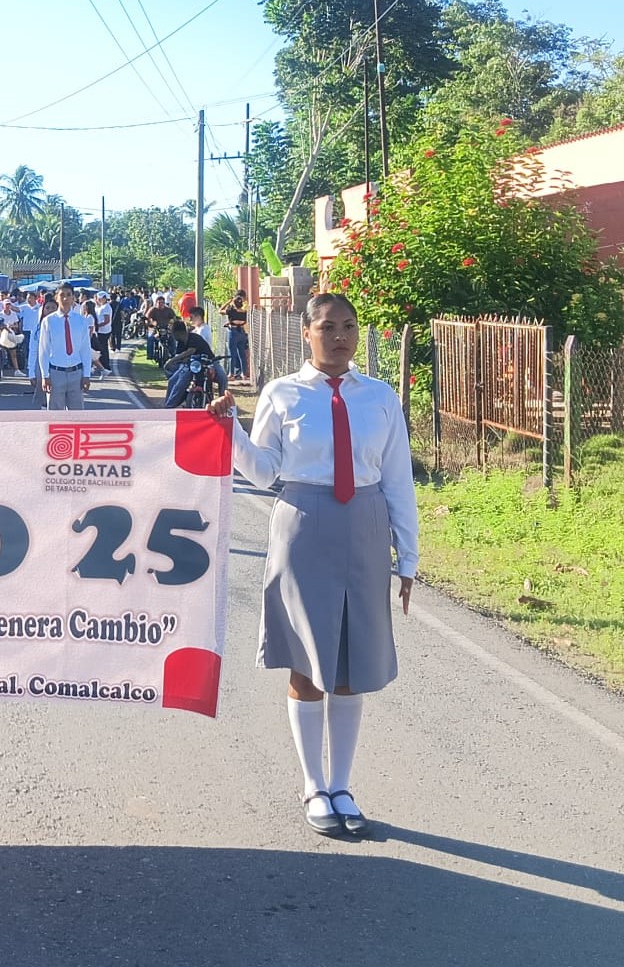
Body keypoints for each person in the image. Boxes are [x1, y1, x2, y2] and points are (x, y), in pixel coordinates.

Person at [207, 292, 417, 840]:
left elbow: (398, 480)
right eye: (328, 327)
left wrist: (407, 557)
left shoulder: (379, 397)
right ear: (306, 333)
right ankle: (313, 784)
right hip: (303, 522)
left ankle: (342, 784)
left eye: (349, 326)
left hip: (365, 524)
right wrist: (229, 430)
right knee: (307, 660)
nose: (341, 336)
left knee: (353, 663)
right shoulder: (283, 394)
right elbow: (262, 471)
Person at [36, 283, 93, 410]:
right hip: (56, 373)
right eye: (62, 295)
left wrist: (86, 374)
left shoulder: (81, 321)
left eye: (69, 295)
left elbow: (85, 350)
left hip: (76, 373)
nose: (65, 299)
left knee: (77, 415)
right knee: (56, 416)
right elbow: (43, 350)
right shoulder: (49, 321)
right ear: (56, 298)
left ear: (74, 298)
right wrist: (45, 375)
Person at [222, 289, 250, 380]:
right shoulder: (245, 312)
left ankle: (231, 374)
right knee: (242, 354)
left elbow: (220, 310)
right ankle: (244, 374)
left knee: (232, 354)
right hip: (242, 332)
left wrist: (228, 301)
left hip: (233, 332)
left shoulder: (231, 311)